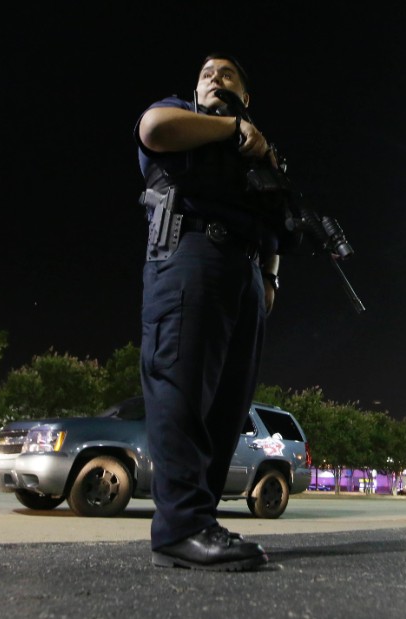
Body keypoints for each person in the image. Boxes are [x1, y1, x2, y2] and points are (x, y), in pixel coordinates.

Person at [134, 53, 285, 571]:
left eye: (227, 74)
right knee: (181, 384)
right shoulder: (184, 114)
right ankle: (180, 527)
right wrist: (231, 126)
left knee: (228, 401)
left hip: (243, 270)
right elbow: (154, 129)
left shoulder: (255, 149)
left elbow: (275, 215)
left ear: (248, 93)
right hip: (190, 252)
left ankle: (201, 523)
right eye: (206, 73)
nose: (215, 78)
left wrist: (269, 275)